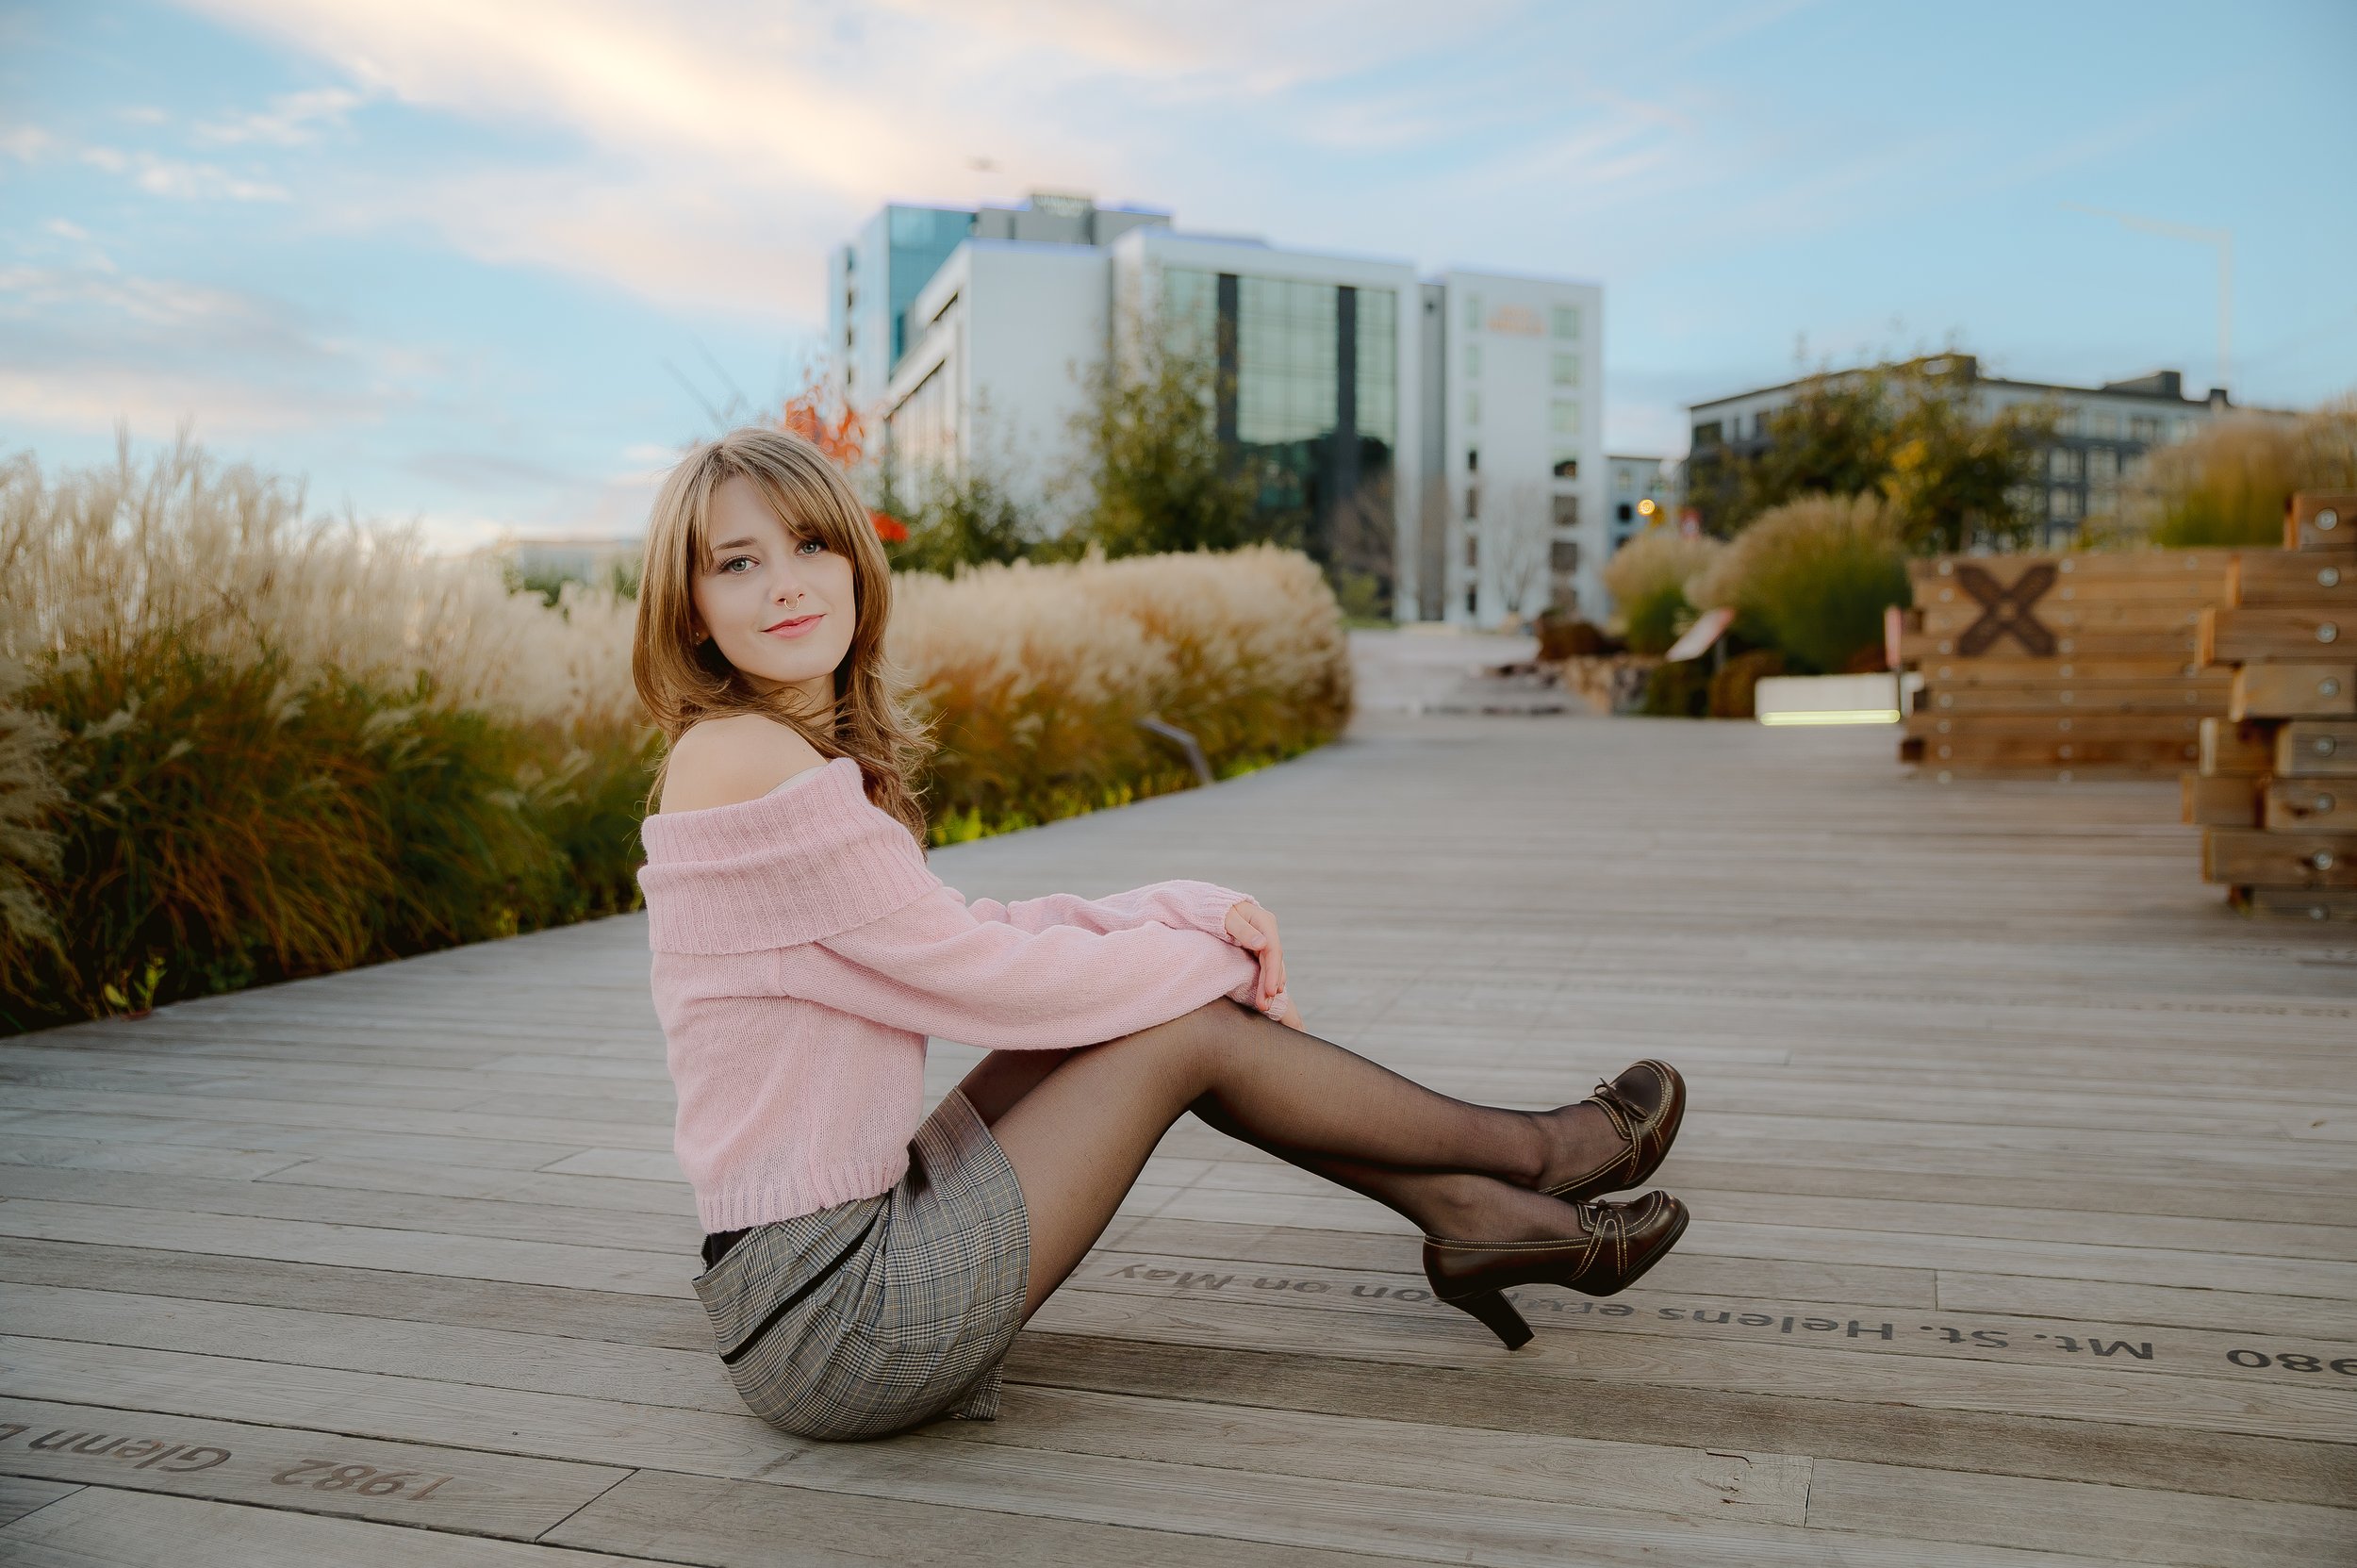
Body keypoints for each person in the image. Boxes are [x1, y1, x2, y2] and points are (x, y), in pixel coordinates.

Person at [631, 427, 1690, 1441]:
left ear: (856, 563)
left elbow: (956, 935)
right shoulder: (740, 758)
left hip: (837, 1258)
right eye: (737, 562)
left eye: (811, 543)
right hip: (829, 1316)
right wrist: (1207, 963)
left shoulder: (794, 762)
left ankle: (1479, 1213)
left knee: (1144, 1009)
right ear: (688, 611)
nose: (786, 581)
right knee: (1179, 1027)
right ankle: (1533, 1159)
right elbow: (977, 975)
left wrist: (1173, 910)